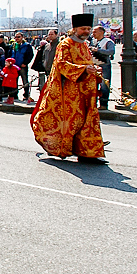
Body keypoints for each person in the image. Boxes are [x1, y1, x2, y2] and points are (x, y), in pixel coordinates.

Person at [30, 14, 106, 164]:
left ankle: (88, 152)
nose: (86, 31)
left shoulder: (84, 45)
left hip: (87, 90)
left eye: (89, 29)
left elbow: (86, 62)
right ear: (75, 29)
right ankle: (65, 148)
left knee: (88, 121)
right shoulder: (66, 44)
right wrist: (84, 69)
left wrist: (94, 70)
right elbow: (61, 64)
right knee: (73, 122)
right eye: (83, 29)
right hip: (71, 92)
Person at [90, 26, 115, 109]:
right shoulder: (93, 41)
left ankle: (103, 104)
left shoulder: (108, 41)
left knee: (104, 85)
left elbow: (111, 51)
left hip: (104, 65)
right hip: (94, 65)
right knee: (93, 85)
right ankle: (93, 103)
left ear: (101, 32)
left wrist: (98, 50)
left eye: (95, 32)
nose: (93, 34)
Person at [11, 32, 34, 102]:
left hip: (22, 66)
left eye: (18, 37)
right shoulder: (14, 45)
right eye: (16, 37)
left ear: (22, 37)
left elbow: (30, 55)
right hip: (14, 66)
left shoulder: (27, 46)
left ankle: (26, 95)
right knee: (14, 81)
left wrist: (25, 63)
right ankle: (14, 95)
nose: (17, 39)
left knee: (25, 80)